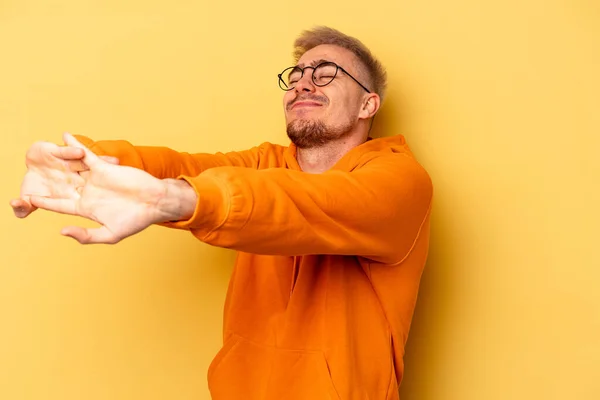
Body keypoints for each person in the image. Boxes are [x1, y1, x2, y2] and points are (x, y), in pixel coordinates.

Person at [11, 26, 433, 400]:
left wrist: (180, 200)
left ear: (367, 105)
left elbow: (317, 203)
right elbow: (184, 166)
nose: (303, 84)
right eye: (297, 75)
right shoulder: (265, 163)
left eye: (325, 74)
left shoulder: (400, 181)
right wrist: (86, 161)